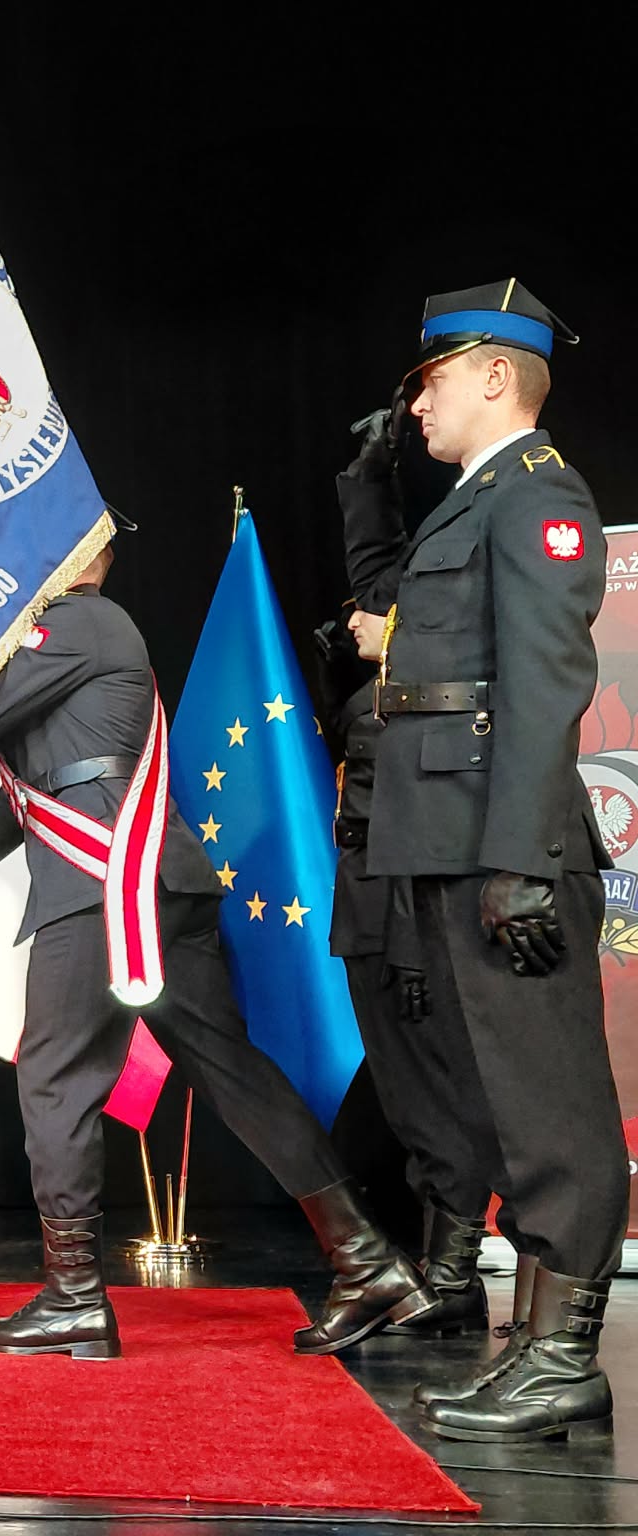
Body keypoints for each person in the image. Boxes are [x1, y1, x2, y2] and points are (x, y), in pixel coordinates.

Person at [0, 537, 435, 1360]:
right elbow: (19, 801)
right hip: (150, 884)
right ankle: (368, 1263)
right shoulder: (66, 648)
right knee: (232, 1073)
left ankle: (74, 1298)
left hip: (106, 885)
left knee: (56, 1080)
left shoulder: (78, 623)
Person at [361, 281, 621, 1442]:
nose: (414, 404)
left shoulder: (536, 496)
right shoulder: (468, 502)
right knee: (492, 1099)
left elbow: (541, 682)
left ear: (493, 375)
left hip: (498, 843)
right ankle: (534, 1348)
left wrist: (518, 857)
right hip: (447, 838)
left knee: (546, 1102)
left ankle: (563, 1358)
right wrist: (361, 487)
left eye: (427, 381)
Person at [330, 406, 500, 1341]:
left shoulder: (443, 656)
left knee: (443, 1091)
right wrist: (370, 478)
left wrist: (389, 644)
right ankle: (446, 1270)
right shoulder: (395, 629)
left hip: (417, 899)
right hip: (367, 893)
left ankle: (454, 1271)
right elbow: (376, 577)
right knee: (404, 1094)